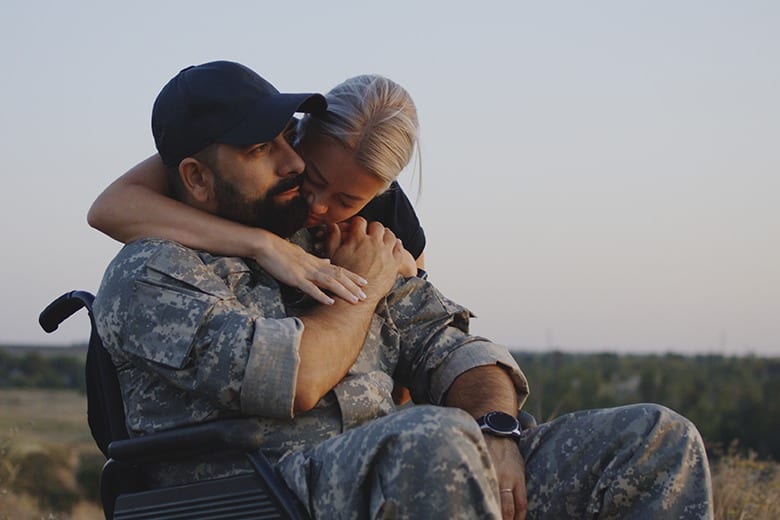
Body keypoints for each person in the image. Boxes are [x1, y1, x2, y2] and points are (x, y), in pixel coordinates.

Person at [92, 60, 713, 519]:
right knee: (433, 441)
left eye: (288, 138)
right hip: (260, 490)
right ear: (197, 178)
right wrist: (367, 291)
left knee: (656, 439)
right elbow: (296, 377)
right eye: (262, 149)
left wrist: (495, 430)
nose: (292, 166)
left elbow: (451, 345)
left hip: (407, 470)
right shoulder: (156, 272)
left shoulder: (349, 239)